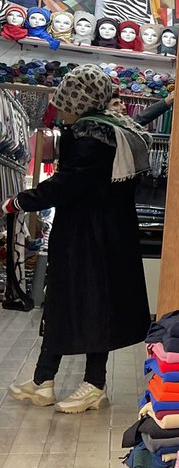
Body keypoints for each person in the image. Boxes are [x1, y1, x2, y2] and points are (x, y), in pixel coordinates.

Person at [6, 65, 152, 413]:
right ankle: (44, 380)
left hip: (89, 237)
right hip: (105, 234)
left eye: (65, 100)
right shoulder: (119, 128)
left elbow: (68, 184)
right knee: (68, 301)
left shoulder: (90, 136)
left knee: (89, 304)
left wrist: (20, 201)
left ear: (78, 99)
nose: (60, 107)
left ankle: (94, 384)